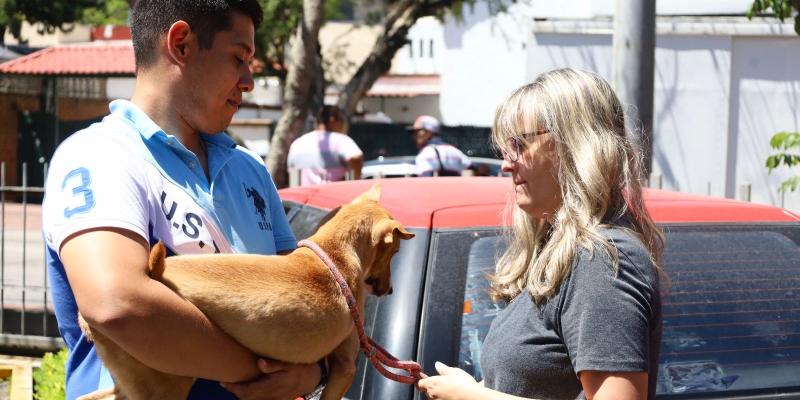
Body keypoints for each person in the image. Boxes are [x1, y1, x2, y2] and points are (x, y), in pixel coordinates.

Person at [41, 1, 324, 399]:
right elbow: (117, 303)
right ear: (182, 44)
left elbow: (298, 302)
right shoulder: (99, 155)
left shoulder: (249, 169)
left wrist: (310, 374)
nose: (249, 80)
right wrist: (258, 373)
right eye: (239, 57)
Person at [417, 68, 665, 400]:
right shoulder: (565, 253)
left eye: (521, 144)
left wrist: (471, 397)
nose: (507, 163)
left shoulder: (602, 261)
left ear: (574, 145)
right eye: (506, 148)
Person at [287, 105, 364, 186]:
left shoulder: (297, 144)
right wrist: (355, 181)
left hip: (301, 197)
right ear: (332, 119)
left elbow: (291, 174)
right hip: (330, 196)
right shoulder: (340, 140)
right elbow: (356, 157)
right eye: (342, 121)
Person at [407, 115, 471, 177]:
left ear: (429, 132)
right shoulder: (453, 150)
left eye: (417, 131)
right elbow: (472, 166)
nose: (414, 135)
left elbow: (425, 181)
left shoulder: (427, 152)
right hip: (455, 187)